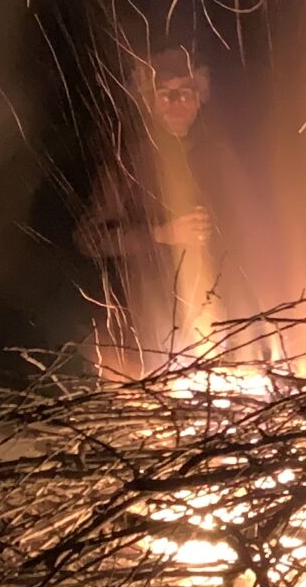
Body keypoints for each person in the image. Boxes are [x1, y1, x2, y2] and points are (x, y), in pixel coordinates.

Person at [76, 47, 237, 375]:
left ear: (199, 99)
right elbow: (89, 239)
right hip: (153, 329)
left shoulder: (217, 155)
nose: (176, 104)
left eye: (185, 94)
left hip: (219, 324)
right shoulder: (128, 162)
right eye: (165, 95)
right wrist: (161, 234)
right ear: (149, 102)